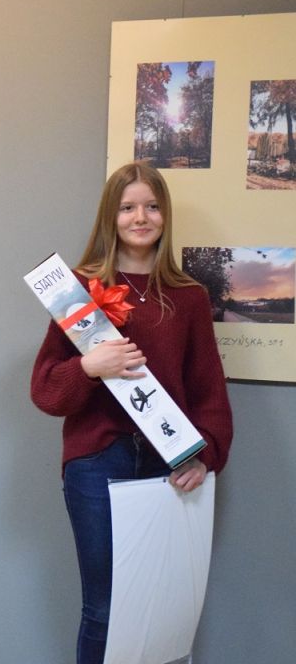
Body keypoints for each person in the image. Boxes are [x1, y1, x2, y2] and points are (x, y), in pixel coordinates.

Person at [30, 161, 233, 664]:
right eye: (127, 207)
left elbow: (208, 388)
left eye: (151, 206)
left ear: (165, 215)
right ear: (110, 216)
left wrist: (207, 454)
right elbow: (46, 391)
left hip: (170, 466)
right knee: (105, 608)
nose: (140, 217)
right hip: (98, 462)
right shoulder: (78, 292)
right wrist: (89, 367)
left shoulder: (188, 296)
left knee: (162, 607)